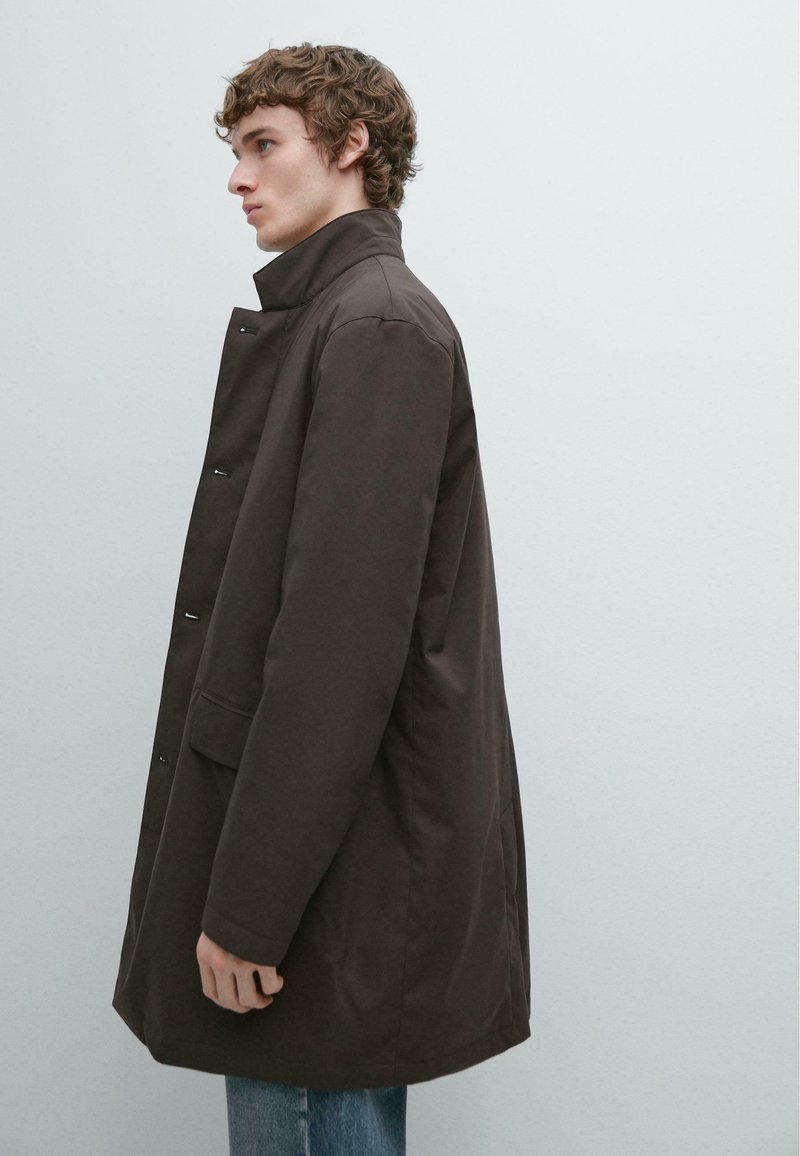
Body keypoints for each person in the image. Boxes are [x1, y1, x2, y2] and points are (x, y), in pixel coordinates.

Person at [112, 41, 531, 1156]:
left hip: (326, 884)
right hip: (323, 861)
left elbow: (337, 652)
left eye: (264, 145)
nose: (237, 177)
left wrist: (248, 905)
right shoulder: (339, 318)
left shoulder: (375, 327)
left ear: (351, 146)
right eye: (234, 149)